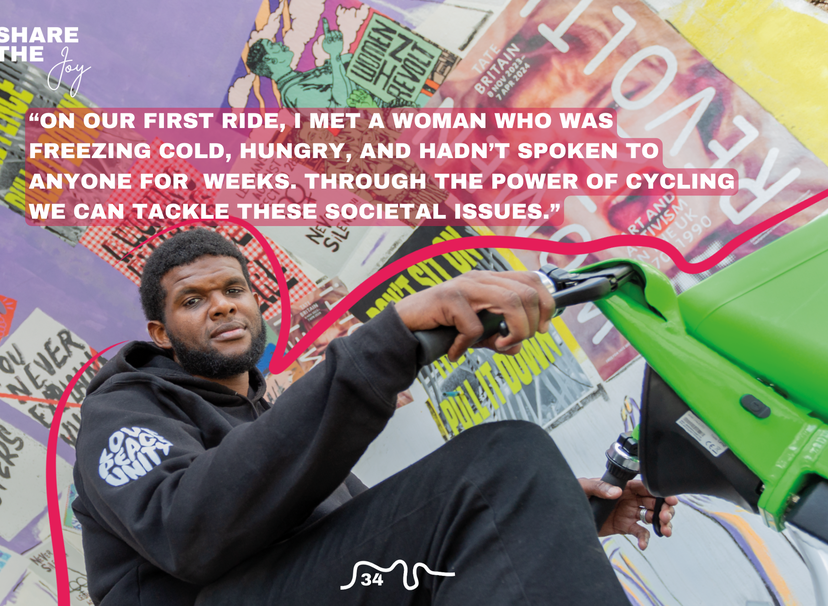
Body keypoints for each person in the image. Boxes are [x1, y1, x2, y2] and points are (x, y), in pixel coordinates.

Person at [72, 228, 675, 606]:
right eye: (193, 300)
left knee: (510, 478)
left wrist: (542, 511)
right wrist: (394, 336)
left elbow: (381, 540)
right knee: (502, 459)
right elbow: (189, 531)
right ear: (162, 333)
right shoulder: (122, 409)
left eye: (234, 289)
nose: (223, 305)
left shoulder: (270, 421)